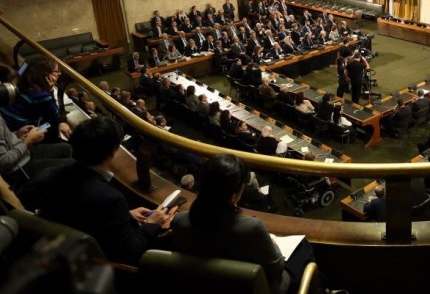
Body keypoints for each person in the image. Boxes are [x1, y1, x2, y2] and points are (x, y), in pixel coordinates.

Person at [38, 117, 176, 265]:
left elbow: (82, 217)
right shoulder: (110, 198)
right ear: (112, 153)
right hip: (99, 266)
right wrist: (152, 223)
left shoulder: (55, 173)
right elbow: (128, 254)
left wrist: (126, 216)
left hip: (61, 250)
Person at [173, 154, 317, 294]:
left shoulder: (180, 220)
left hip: (206, 285)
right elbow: (276, 268)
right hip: (257, 287)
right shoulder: (252, 228)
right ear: (234, 195)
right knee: (304, 248)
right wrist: (273, 244)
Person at [0, 57, 72, 141]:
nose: (59, 73)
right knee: (50, 125)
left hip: (3, 121)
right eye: (57, 71)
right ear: (47, 75)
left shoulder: (19, 82)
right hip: (15, 129)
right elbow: (55, 114)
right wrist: (50, 90)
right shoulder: (42, 96)